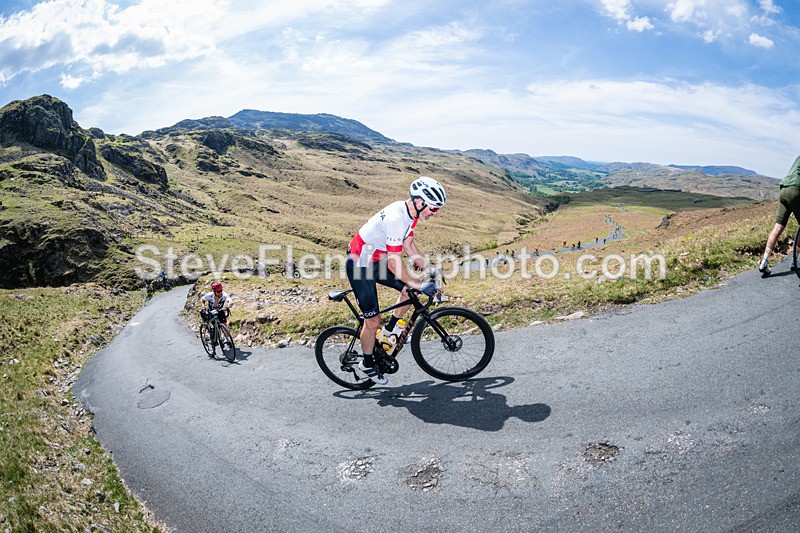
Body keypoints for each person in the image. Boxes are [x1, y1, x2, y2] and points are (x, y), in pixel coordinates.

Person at [346, 176, 444, 384]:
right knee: (372, 321)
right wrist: (419, 283)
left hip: (376, 259)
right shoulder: (396, 218)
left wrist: (428, 269)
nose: (434, 213)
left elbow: (408, 245)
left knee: (412, 291)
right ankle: (366, 362)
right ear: (419, 202)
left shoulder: (412, 214)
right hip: (360, 264)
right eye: (433, 209)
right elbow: (394, 265)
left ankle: (390, 330)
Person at [759, 155, 800, 275]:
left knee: (778, 227)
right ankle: (795, 262)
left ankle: (764, 262)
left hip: (784, 189)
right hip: (796, 189)